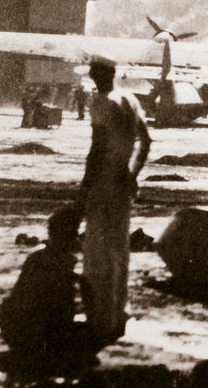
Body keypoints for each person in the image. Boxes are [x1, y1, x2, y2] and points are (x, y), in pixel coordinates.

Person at [78, 55, 151, 346]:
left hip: (103, 182)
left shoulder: (100, 102)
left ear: (98, 76)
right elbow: (145, 141)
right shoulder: (129, 99)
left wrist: (85, 186)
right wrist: (132, 174)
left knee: (97, 250)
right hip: (121, 182)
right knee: (119, 250)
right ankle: (118, 313)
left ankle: (100, 320)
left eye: (94, 74)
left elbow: (96, 149)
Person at [0, 205, 97, 374]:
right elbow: (60, 309)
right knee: (93, 333)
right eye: (73, 232)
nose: (76, 237)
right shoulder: (60, 263)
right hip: (37, 332)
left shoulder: (38, 258)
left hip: (17, 330)